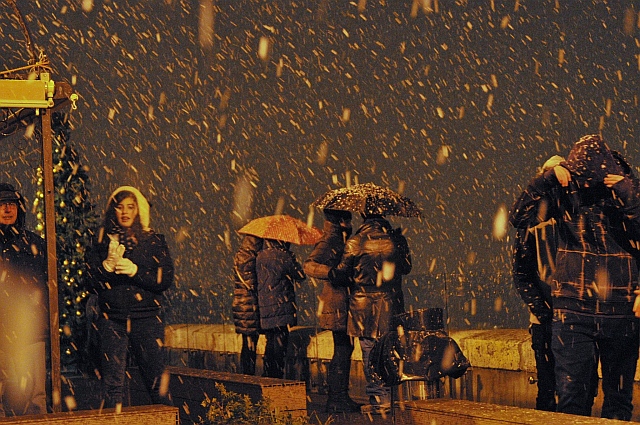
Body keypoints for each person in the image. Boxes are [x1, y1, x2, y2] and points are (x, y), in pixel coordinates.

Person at [510, 135, 640, 420]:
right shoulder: (565, 191)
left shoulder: (628, 190)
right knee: (571, 400)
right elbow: (519, 218)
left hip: (620, 311)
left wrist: (629, 196)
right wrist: (546, 180)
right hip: (574, 311)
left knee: (614, 402)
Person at [85, 186, 174, 411]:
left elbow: (164, 280)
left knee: (156, 382)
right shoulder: (101, 240)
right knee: (112, 386)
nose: (125, 212)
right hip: (111, 319)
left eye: (130, 207)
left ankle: (168, 419)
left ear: (138, 210)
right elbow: (88, 281)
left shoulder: (152, 240)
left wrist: (136, 271)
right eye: (120, 207)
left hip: (146, 319)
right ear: (112, 210)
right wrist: (105, 267)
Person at [329, 213, 412, 414]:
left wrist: (334, 274)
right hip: (391, 303)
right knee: (390, 351)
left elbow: (340, 273)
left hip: (363, 305)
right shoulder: (396, 239)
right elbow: (407, 268)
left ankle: (378, 399)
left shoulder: (356, 241)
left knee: (370, 352)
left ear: (364, 216)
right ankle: (391, 397)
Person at [304, 209, 361, 413]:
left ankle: (339, 396)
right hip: (337, 304)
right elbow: (309, 265)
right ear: (340, 220)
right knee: (343, 349)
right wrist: (331, 273)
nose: (350, 222)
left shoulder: (338, 238)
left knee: (344, 348)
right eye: (348, 219)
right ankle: (337, 398)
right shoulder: (330, 240)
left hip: (340, 303)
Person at [0, 183, 47, 416]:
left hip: (30, 329)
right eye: (1, 205)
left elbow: (46, 284)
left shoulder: (34, 243)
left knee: (35, 394)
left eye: (11, 204)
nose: (7, 209)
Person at [256, 238, 305, 378]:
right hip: (281, 307)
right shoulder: (284, 256)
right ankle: (276, 376)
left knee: (270, 342)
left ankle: (268, 375)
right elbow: (300, 275)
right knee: (280, 344)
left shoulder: (260, 256)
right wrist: (292, 258)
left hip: (265, 306)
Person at [232, 234, 263, 375]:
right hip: (250, 304)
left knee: (246, 342)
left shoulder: (240, 256)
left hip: (240, 303)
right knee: (250, 343)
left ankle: (246, 375)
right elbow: (255, 283)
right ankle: (248, 375)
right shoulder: (252, 259)